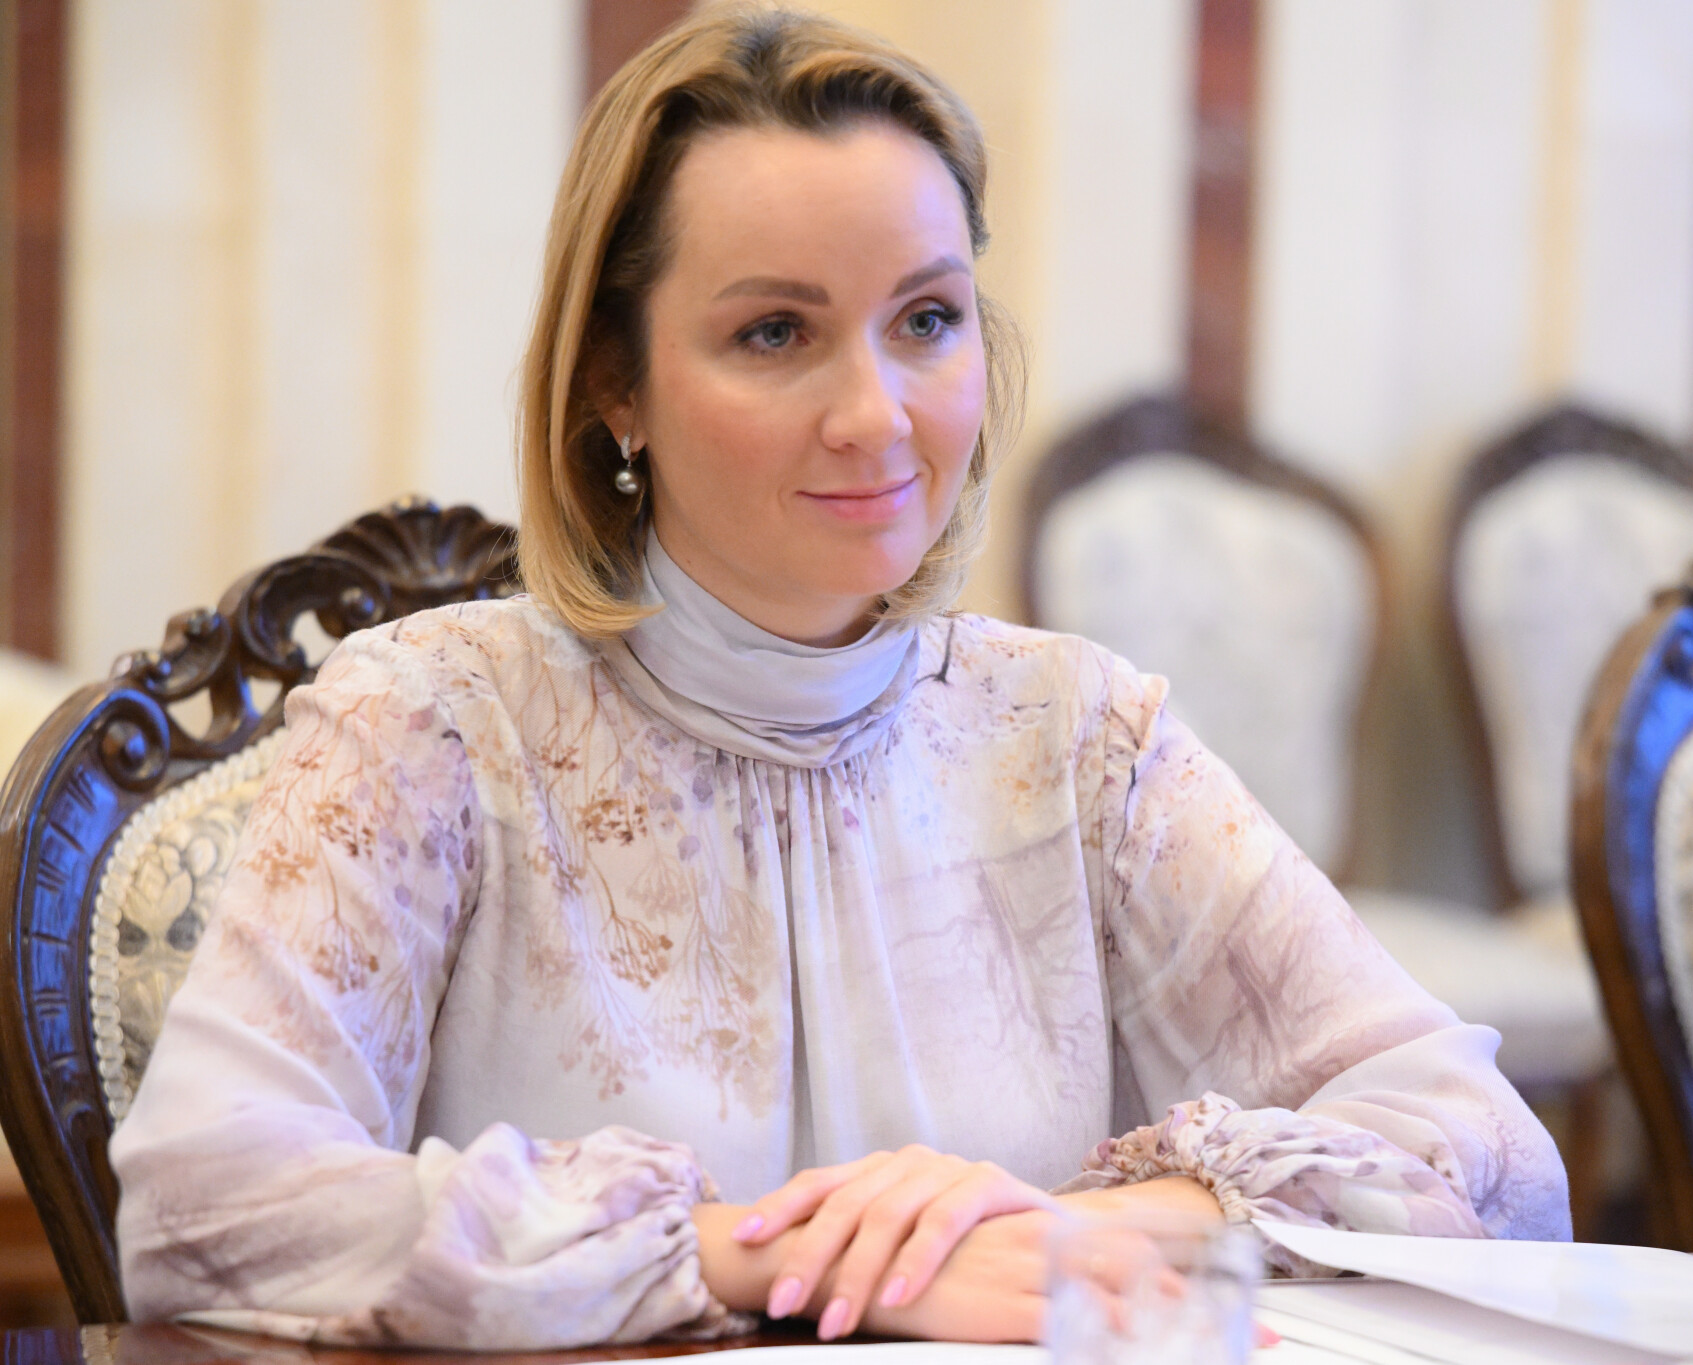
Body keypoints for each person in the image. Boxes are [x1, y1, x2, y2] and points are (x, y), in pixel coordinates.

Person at [109, 4, 1569, 1350]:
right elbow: (206, 1206)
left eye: (926, 319)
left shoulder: (1079, 738)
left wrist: (1074, 1230)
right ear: (614, 384)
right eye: (775, 333)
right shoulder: (430, 724)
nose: (876, 415)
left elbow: (1495, 1160)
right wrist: (779, 1254)